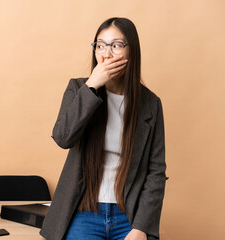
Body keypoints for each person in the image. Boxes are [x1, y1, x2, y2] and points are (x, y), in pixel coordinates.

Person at [40, 17, 167, 240]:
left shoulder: (150, 104)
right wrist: (92, 86)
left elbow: (156, 172)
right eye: (100, 45)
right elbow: (63, 137)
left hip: (129, 215)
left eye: (116, 45)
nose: (106, 54)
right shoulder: (79, 88)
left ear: (132, 51)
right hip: (84, 211)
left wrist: (141, 228)